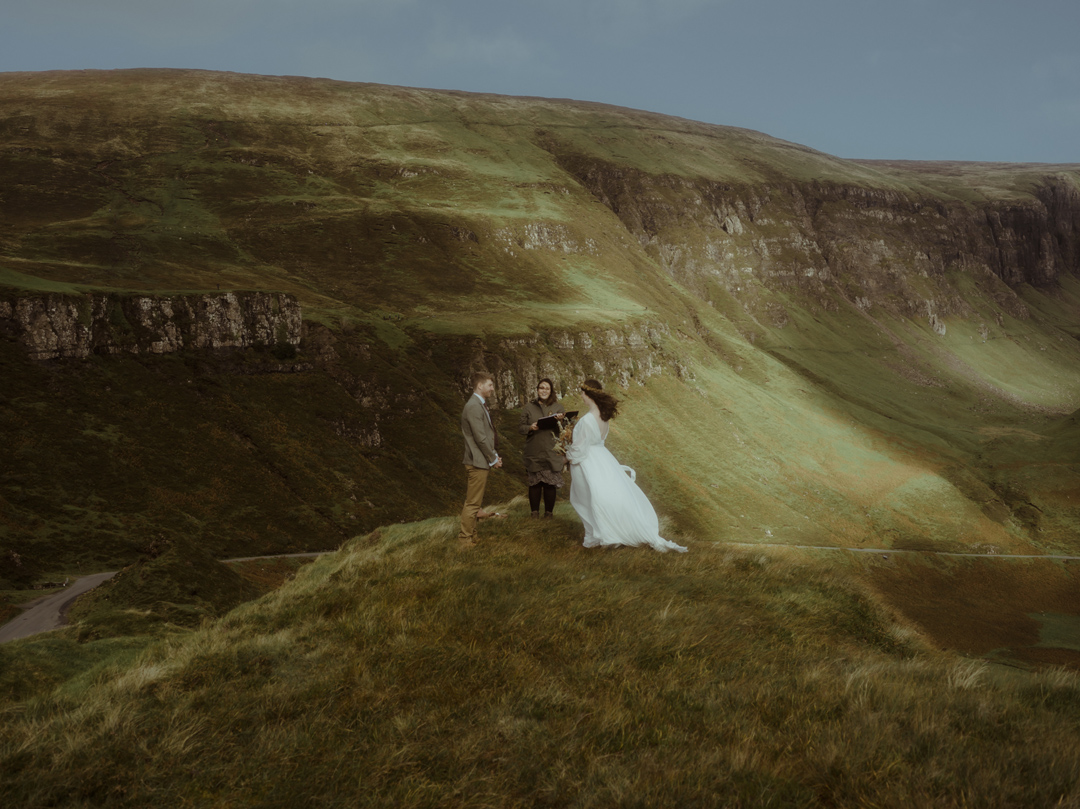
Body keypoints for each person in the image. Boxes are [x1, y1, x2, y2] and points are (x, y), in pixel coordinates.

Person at [564, 379, 687, 553]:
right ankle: (599, 534)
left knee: (585, 499)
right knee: (600, 497)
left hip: (589, 462)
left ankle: (597, 536)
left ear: (587, 394)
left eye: (582, 393)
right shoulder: (603, 417)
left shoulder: (587, 420)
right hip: (603, 459)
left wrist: (565, 457)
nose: (581, 396)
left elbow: (579, 449)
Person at [458, 371, 503, 547]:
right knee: (472, 503)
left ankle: (472, 535)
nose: (492, 388)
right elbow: (481, 438)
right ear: (480, 386)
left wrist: (494, 456)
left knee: (475, 502)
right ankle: (464, 540)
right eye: (490, 385)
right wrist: (493, 459)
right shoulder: (474, 406)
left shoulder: (478, 404)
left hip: (480, 460)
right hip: (477, 461)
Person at [518, 378, 567, 519]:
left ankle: (549, 514)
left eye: (547, 388)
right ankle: (534, 514)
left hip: (552, 452)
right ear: (537, 390)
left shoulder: (558, 408)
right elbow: (521, 428)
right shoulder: (528, 407)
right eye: (541, 388)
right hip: (533, 451)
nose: (544, 390)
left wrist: (560, 421)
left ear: (551, 391)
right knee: (535, 484)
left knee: (550, 484)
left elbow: (565, 430)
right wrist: (530, 427)